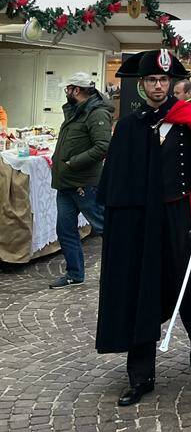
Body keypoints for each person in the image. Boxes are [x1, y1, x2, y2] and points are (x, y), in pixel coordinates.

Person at [96, 49, 191, 406]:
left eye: (164, 81)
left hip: (181, 212)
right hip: (143, 218)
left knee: (185, 280)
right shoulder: (129, 125)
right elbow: (117, 180)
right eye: (152, 80)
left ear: (173, 84)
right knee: (142, 288)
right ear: (142, 85)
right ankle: (140, 375)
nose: (158, 86)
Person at [48, 73, 112, 288]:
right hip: (66, 183)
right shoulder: (77, 111)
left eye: (68, 88)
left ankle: (126, 268)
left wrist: (72, 162)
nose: (66, 92)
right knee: (65, 230)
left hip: (84, 184)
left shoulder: (96, 113)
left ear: (76, 90)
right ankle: (74, 273)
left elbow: (103, 146)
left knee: (105, 228)